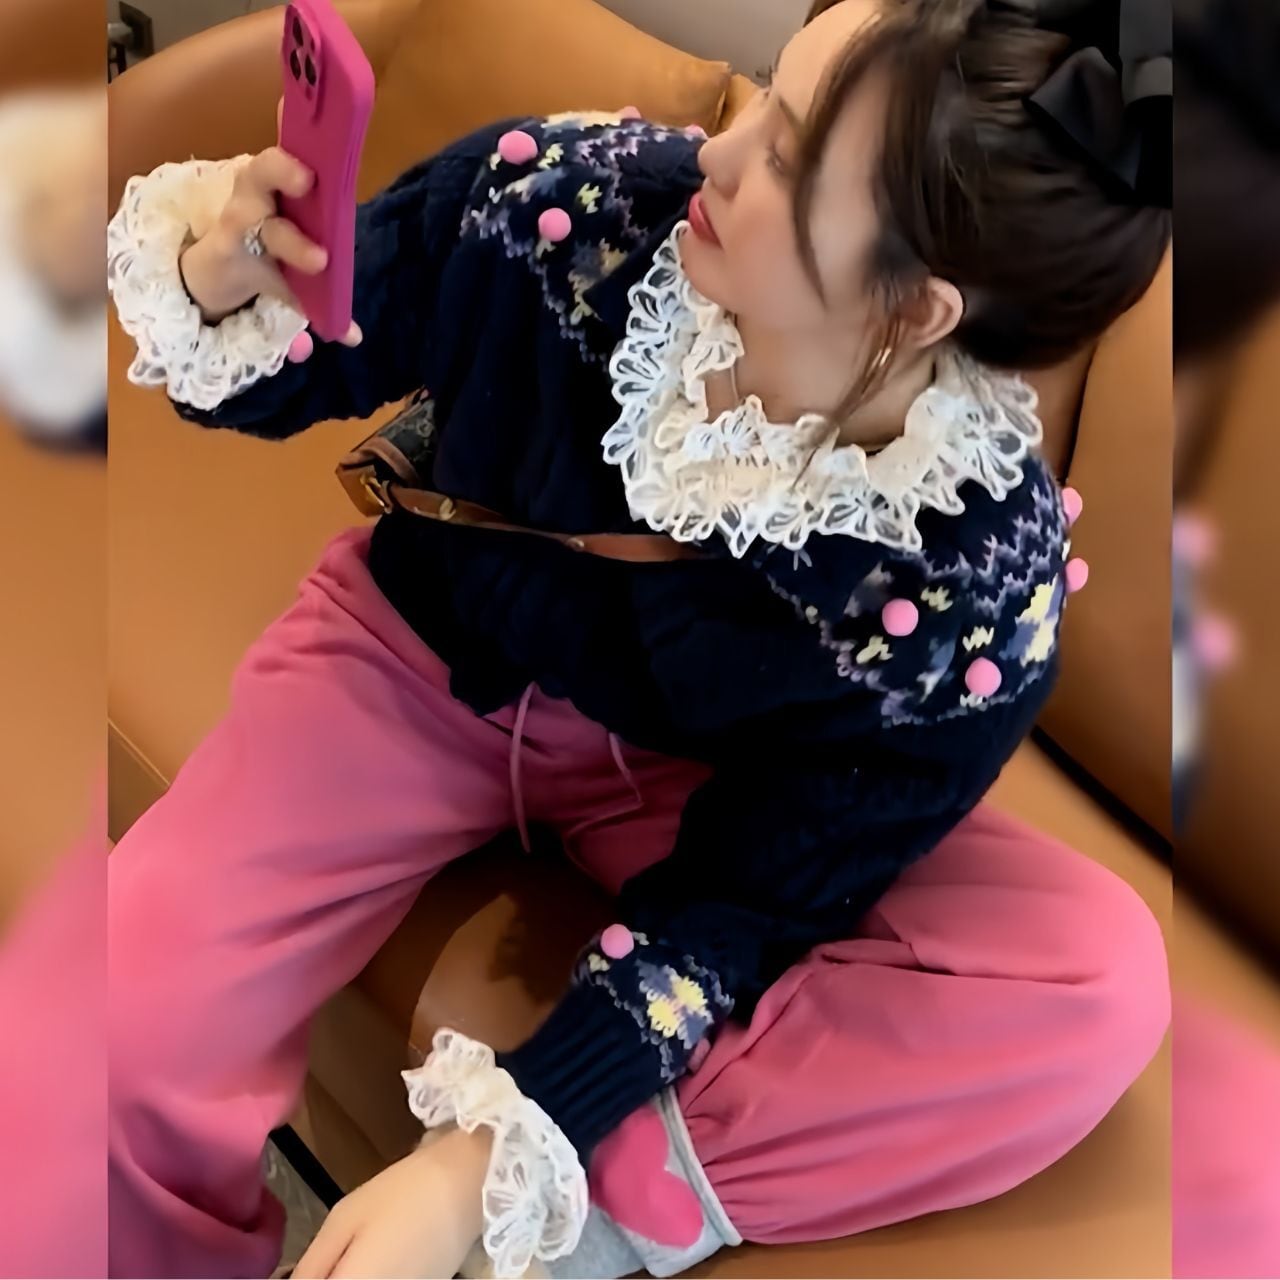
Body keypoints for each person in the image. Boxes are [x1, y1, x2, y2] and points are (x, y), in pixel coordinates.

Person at [105, 0, 1171, 1275]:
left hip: (693, 781)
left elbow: (744, 900)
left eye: (789, 155)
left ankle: (594, 1198)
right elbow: (307, 361)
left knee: (1096, 976)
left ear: (915, 307)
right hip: (414, 660)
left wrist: (495, 1152)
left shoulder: (965, 589)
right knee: (114, 1024)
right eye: (768, 94)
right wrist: (219, 273)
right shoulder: (567, 205)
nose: (720, 148)